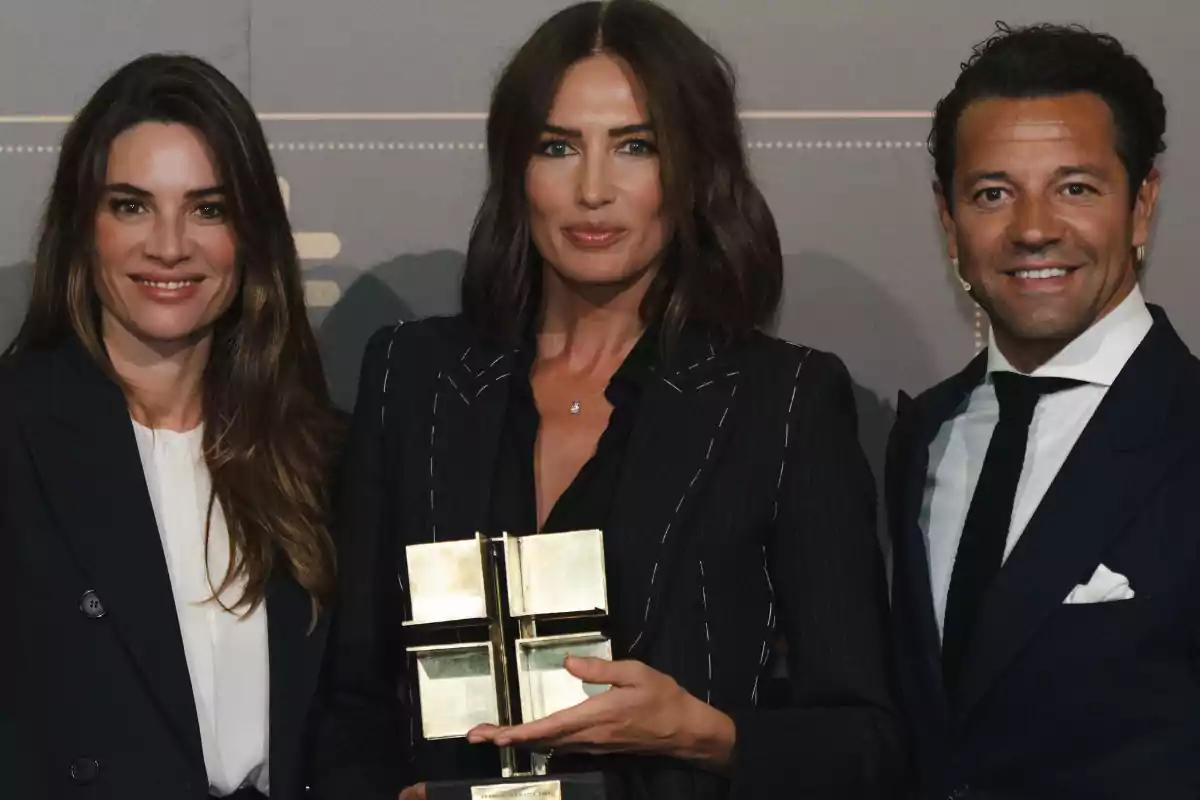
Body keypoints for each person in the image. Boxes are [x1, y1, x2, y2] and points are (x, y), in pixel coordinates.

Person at [313, 2, 902, 799]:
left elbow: (862, 741)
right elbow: (353, 695)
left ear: (695, 169)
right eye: (558, 147)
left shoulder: (785, 401)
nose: (593, 190)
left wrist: (705, 734)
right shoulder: (412, 376)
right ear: (516, 170)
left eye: (636, 146)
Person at [0, 54, 342, 799]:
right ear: (83, 226)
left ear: (249, 234)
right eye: (131, 205)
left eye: (208, 208)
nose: (168, 244)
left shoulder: (315, 453)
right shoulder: (15, 432)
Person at [886, 22, 1200, 799]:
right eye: (993, 193)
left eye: (1075, 188)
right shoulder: (923, 435)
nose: (1032, 229)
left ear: (1142, 203)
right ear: (947, 218)